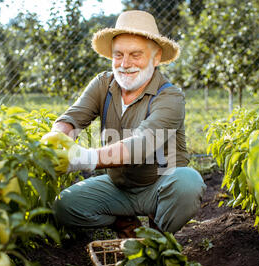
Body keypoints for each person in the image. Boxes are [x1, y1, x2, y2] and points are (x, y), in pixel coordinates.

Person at [43, 10, 206, 238]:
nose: (125, 64)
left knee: (188, 183)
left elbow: (141, 144)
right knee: (65, 205)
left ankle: (159, 237)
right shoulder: (103, 84)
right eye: (118, 55)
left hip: (159, 187)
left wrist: (83, 159)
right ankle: (127, 226)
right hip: (118, 187)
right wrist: (58, 137)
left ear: (156, 57)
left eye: (135, 55)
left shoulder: (170, 96)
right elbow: (72, 118)